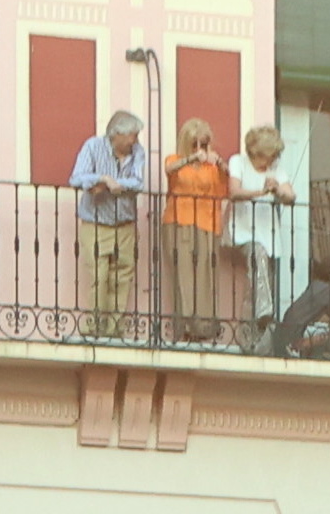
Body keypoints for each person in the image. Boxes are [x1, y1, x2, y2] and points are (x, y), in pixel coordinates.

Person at [72, 111, 150, 335]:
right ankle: (95, 326)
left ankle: (114, 328)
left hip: (125, 224)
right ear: (116, 135)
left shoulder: (138, 152)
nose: (134, 140)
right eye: (131, 136)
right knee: (99, 276)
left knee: (122, 276)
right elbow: (77, 178)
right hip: (96, 224)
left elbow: (137, 182)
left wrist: (109, 186)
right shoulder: (93, 147)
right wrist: (101, 179)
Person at [224, 123, 296, 340]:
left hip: (268, 235)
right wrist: (261, 191)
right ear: (260, 153)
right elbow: (234, 192)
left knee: (257, 280)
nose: (275, 158)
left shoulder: (277, 170)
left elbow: (291, 197)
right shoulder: (239, 162)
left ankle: (252, 336)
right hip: (242, 231)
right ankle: (264, 312)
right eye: (272, 154)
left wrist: (278, 190)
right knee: (258, 256)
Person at [161, 119, 230, 344]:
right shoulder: (175, 160)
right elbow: (169, 171)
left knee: (206, 275)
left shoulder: (213, 167)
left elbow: (227, 186)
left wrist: (219, 162)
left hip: (208, 223)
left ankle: (205, 327)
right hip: (180, 221)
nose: (200, 149)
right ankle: (186, 327)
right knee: (183, 274)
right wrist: (191, 158)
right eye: (195, 144)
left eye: (204, 144)